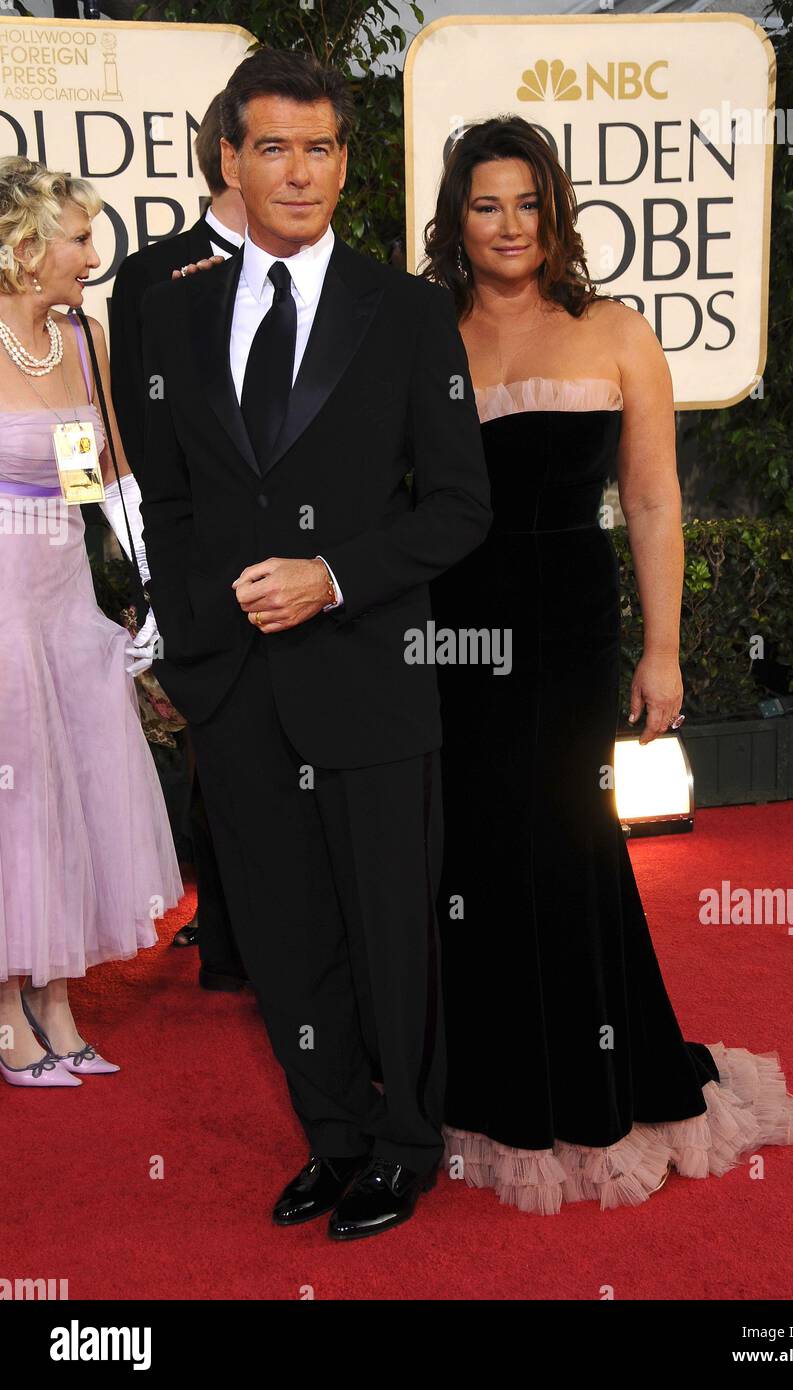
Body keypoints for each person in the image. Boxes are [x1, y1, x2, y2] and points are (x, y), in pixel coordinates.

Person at [422, 116, 793, 1214]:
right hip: (452, 634)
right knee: (474, 858)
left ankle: (596, 1076)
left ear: (555, 213)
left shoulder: (615, 330)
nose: (507, 225)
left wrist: (661, 649)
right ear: (456, 218)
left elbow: (650, 500)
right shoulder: (427, 337)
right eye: (484, 204)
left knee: (568, 846)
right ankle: (492, 1080)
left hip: (568, 637)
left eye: (527, 203)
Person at [138, 49, 491, 1239]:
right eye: (274, 147)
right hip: (236, 690)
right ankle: (333, 1132)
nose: (301, 172)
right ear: (227, 159)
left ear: (347, 159)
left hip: (370, 678)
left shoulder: (404, 311)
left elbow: (457, 506)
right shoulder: (177, 308)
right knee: (286, 941)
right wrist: (193, 651)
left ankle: (406, 1142)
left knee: (392, 928)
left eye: (323, 147)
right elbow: (174, 500)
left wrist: (331, 576)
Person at [0, 156, 184, 1087]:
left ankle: (59, 997)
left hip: (64, 586)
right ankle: (5, 1014)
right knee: (13, 795)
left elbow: (94, 475)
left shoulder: (81, 337)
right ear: (25, 248)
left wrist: (148, 586)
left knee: (72, 782)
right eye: (78, 238)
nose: (93, 255)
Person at [110, 90, 249, 989]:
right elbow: (133, 423)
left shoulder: (333, 275)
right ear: (230, 159)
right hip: (197, 545)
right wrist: (153, 563)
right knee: (221, 741)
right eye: (273, 147)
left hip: (313, 556)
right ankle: (232, 930)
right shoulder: (152, 274)